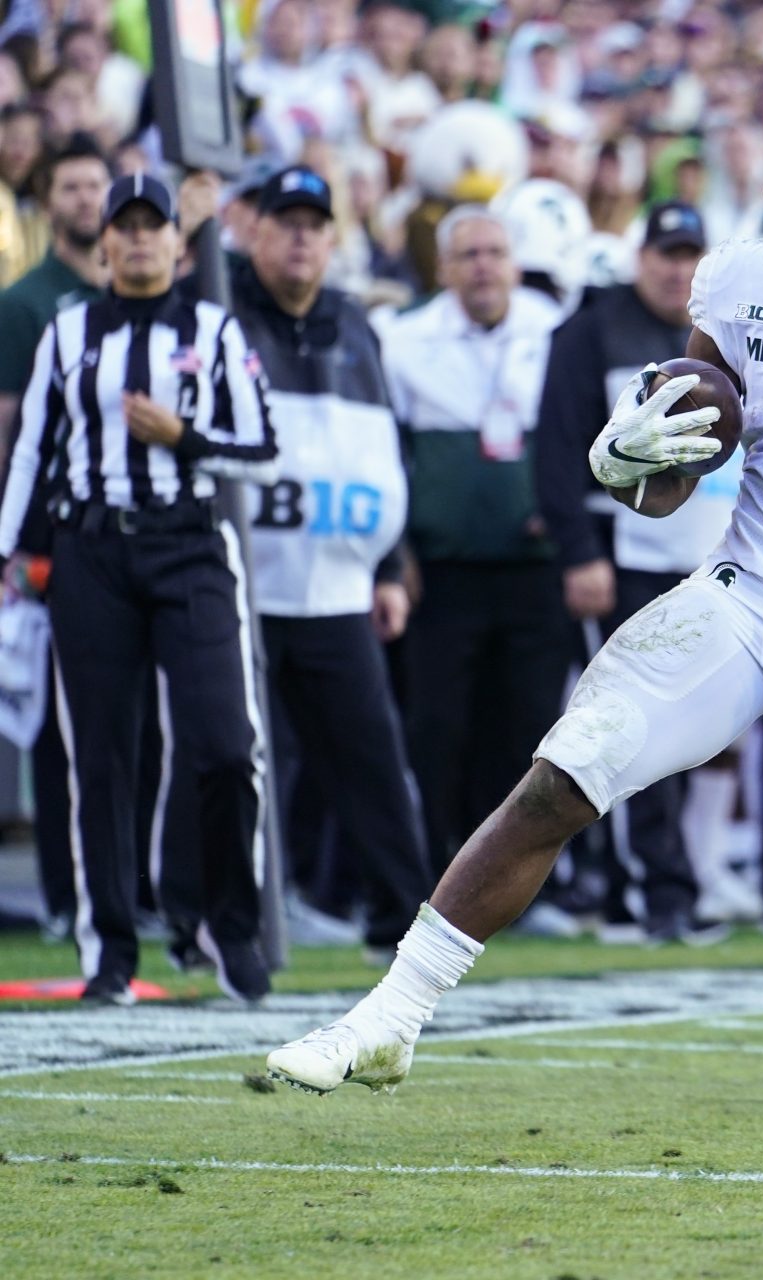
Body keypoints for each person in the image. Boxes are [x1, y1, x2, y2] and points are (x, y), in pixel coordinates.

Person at [269, 80, 763, 1095]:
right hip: (750, 593)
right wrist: (624, 456)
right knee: (566, 770)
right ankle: (388, 1014)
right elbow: (672, 479)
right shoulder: (746, 283)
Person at [0, 174, 277, 1005]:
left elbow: (263, 446)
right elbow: (31, 449)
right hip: (90, 551)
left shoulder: (215, 330)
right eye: (125, 227)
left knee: (226, 744)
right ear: (106, 244)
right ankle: (110, 953)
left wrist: (183, 436)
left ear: (176, 242)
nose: (139, 239)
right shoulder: (68, 330)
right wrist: (9, 547)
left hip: (189, 545)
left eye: (153, 226)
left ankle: (227, 926)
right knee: (102, 759)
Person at [228, 166, 430, 959]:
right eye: (288, 222)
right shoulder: (221, 314)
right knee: (235, 762)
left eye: (317, 223)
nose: (304, 237)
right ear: (256, 232)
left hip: (341, 586)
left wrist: (388, 568)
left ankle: (403, 921)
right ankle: (227, 916)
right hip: (245, 584)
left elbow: (384, 451)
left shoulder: (354, 324)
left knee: (372, 761)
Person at [534, 199, 739, 942]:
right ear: (639, 257)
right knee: (629, 729)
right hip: (625, 558)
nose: (677, 269)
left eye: (690, 255)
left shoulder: (731, 331)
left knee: (695, 735)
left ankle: (678, 884)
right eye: (666, 254)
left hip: (709, 560)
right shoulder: (591, 331)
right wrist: (579, 552)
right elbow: (556, 448)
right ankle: (636, 892)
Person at [378, 205, 573, 927]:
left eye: (495, 251)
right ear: (444, 267)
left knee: (529, 733)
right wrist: (396, 556)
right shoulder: (404, 340)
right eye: (469, 255)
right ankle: (437, 888)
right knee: (438, 730)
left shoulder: (553, 328)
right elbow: (387, 452)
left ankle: (521, 896)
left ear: (515, 261)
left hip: (535, 566)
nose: (484, 266)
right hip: (444, 568)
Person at [0, 134, 108, 936]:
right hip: (51, 535)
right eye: (69, 187)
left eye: (95, 185)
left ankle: (118, 887)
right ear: (47, 201)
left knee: (124, 715)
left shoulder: (135, 295)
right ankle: (66, 897)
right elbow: (7, 431)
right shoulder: (26, 302)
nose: (85, 200)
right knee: (59, 721)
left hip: (126, 527)